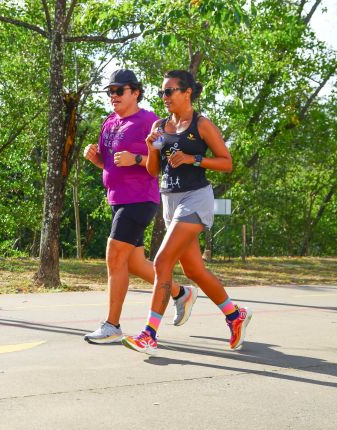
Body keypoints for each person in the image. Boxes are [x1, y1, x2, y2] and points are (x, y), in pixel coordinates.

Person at [122, 70, 253, 355]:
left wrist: (194, 159)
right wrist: (150, 148)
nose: (164, 97)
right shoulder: (159, 125)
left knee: (161, 261)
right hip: (169, 199)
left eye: (169, 91)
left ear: (187, 92)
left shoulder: (202, 124)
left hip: (196, 198)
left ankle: (149, 334)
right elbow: (154, 171)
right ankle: (234, 315)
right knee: (194, 269)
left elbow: (226, 162)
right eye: (162, 92)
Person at [83, 69, 198, 344]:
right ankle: (181, 293)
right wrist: (95, 158)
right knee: (133, 262)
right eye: (110, 91)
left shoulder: (150, 121)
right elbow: (108, 163)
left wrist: (137, 158)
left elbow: (166, 160)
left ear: (135, 92)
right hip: (117, 198)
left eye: (119, 91)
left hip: (139, 199)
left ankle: (112, 326)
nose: (113, 96)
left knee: (114, 256)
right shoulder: (109, 123)